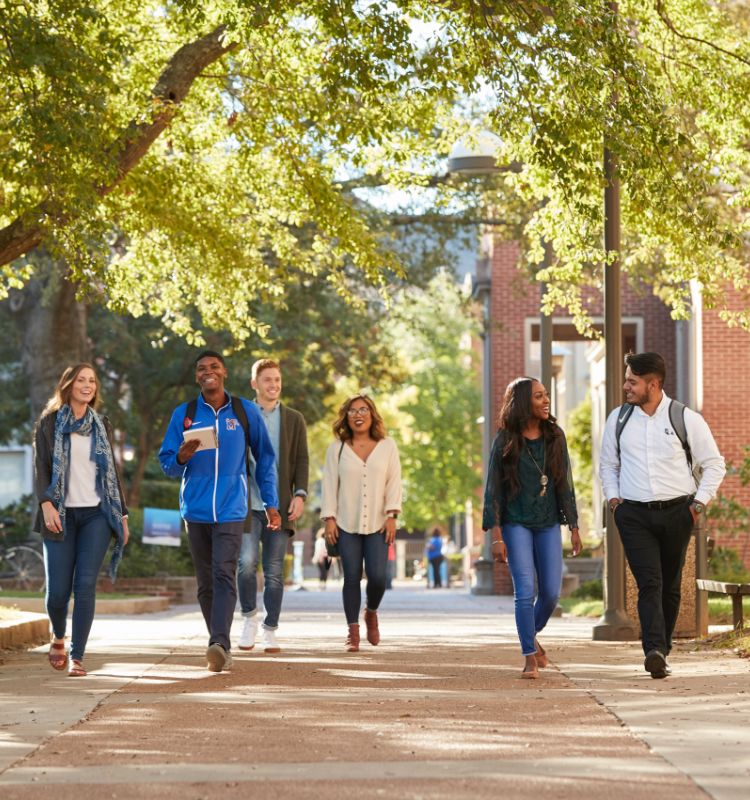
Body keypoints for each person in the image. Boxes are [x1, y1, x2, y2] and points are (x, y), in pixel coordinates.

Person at [600, 352, 725, 679]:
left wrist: (697, 506)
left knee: (670, 585)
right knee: (649, 583)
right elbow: (608, 465)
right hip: (634, 516)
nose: (626, 386)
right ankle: (653, 649)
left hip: (678, 513)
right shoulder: (618, 419)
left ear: (653, 384)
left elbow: (714, 464)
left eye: (632, 381)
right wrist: (615, 502)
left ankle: (662, 648)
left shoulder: (685, 418)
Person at [159, 351, 280, 672]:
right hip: (195, 510)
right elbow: (167, 464)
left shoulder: (244, 411)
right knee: (205, 581)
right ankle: (219, 640)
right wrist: (182, 457)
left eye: (214, 367)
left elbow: (265, 459)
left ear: (224, 372)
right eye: (201, 369)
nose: (208, 372)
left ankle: (219, 643)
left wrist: (271, 503)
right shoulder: (183, 414)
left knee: (224, 572)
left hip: (231, 507)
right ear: (197, 376)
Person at [33, 363, 130, 678]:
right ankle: (58, 636)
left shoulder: (101, 424)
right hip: (59, 514)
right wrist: (46, 503)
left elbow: (111, 474)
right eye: (81, 380)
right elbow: (42, 469)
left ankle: (78, 656)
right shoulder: (49, 425)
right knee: (58, 593)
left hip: (96, 515)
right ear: (69, 385)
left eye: (92, 380)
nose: (88, 385)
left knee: (85, 585)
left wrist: (122, 514)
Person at [483, 377, 581, 679]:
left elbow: (564, 483)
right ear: (524, 402)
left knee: (551, 593)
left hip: (548, 521)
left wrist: (574, 526)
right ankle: (528, 655)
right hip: (516, 522)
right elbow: (493, 491)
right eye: (539, 396)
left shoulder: (555, 436)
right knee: (524, 591)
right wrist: (496, 536)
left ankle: (529, 633)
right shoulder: (505, 440)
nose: (545, 401)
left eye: (546, 395)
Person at [236, 358, 309, 652]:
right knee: (245, 564)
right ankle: (249, 619)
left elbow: (302, 459)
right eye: (267, 380)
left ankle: (270, 628)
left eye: (277, 380)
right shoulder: (240, 416)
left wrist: (300, 494)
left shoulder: (294, 419)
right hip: (246, 504)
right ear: (255, 383)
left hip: (280, 504)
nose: (274, 385)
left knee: (275, 569)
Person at [321, 394, 402, 652]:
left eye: (363, 409)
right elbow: (329, 484)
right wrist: (329, 518)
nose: (358, 415)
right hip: (346, 523)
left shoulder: (388, 446)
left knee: (378, 577)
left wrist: (392, 516)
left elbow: (394, 481)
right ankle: (352, 631)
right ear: (346, 417)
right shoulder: (338, 448)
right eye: (353, 411)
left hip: (379, 523)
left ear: (372, 414)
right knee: (351, 577)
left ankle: (372, 612)